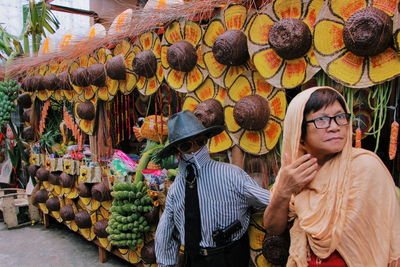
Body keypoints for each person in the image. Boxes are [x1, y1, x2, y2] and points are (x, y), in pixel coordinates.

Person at [263, 86, 400, 266]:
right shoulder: (292, 172)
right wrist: (283, 191)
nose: (335, 127)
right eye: (322, 120)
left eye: (340, 117)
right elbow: (273, 227)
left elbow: (387, 237)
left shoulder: (366, 168)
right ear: (299, 132)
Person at [155, 110, 270, 267]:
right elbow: (166, 230)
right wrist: (165, 263)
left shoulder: (231, 175)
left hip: (230, 256)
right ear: (178, 151)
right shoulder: (176, 189)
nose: (194, 149)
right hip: (194, 259)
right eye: (186, 145)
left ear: (207, 141)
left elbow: (266, 200)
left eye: (200, 142)